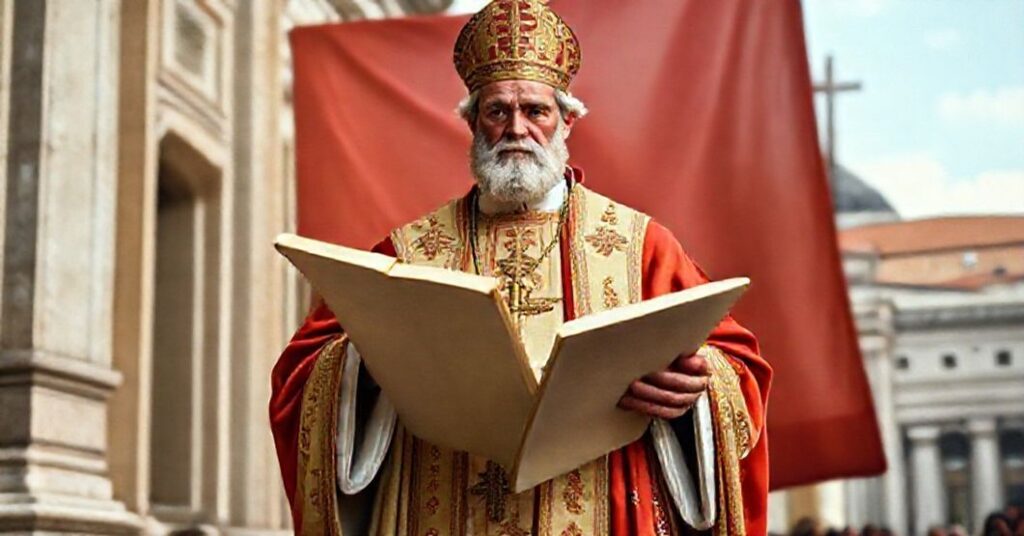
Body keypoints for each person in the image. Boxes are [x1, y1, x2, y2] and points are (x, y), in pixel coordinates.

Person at [269, 1, 772, 534]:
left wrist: (697, 388)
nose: (516, 128)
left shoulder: (639, 244)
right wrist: (370, 365)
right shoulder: (408, 251)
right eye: (496, 111)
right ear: (472, 122)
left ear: (566, 121)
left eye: (535, 111)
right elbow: (301, 378)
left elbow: (738, 365)